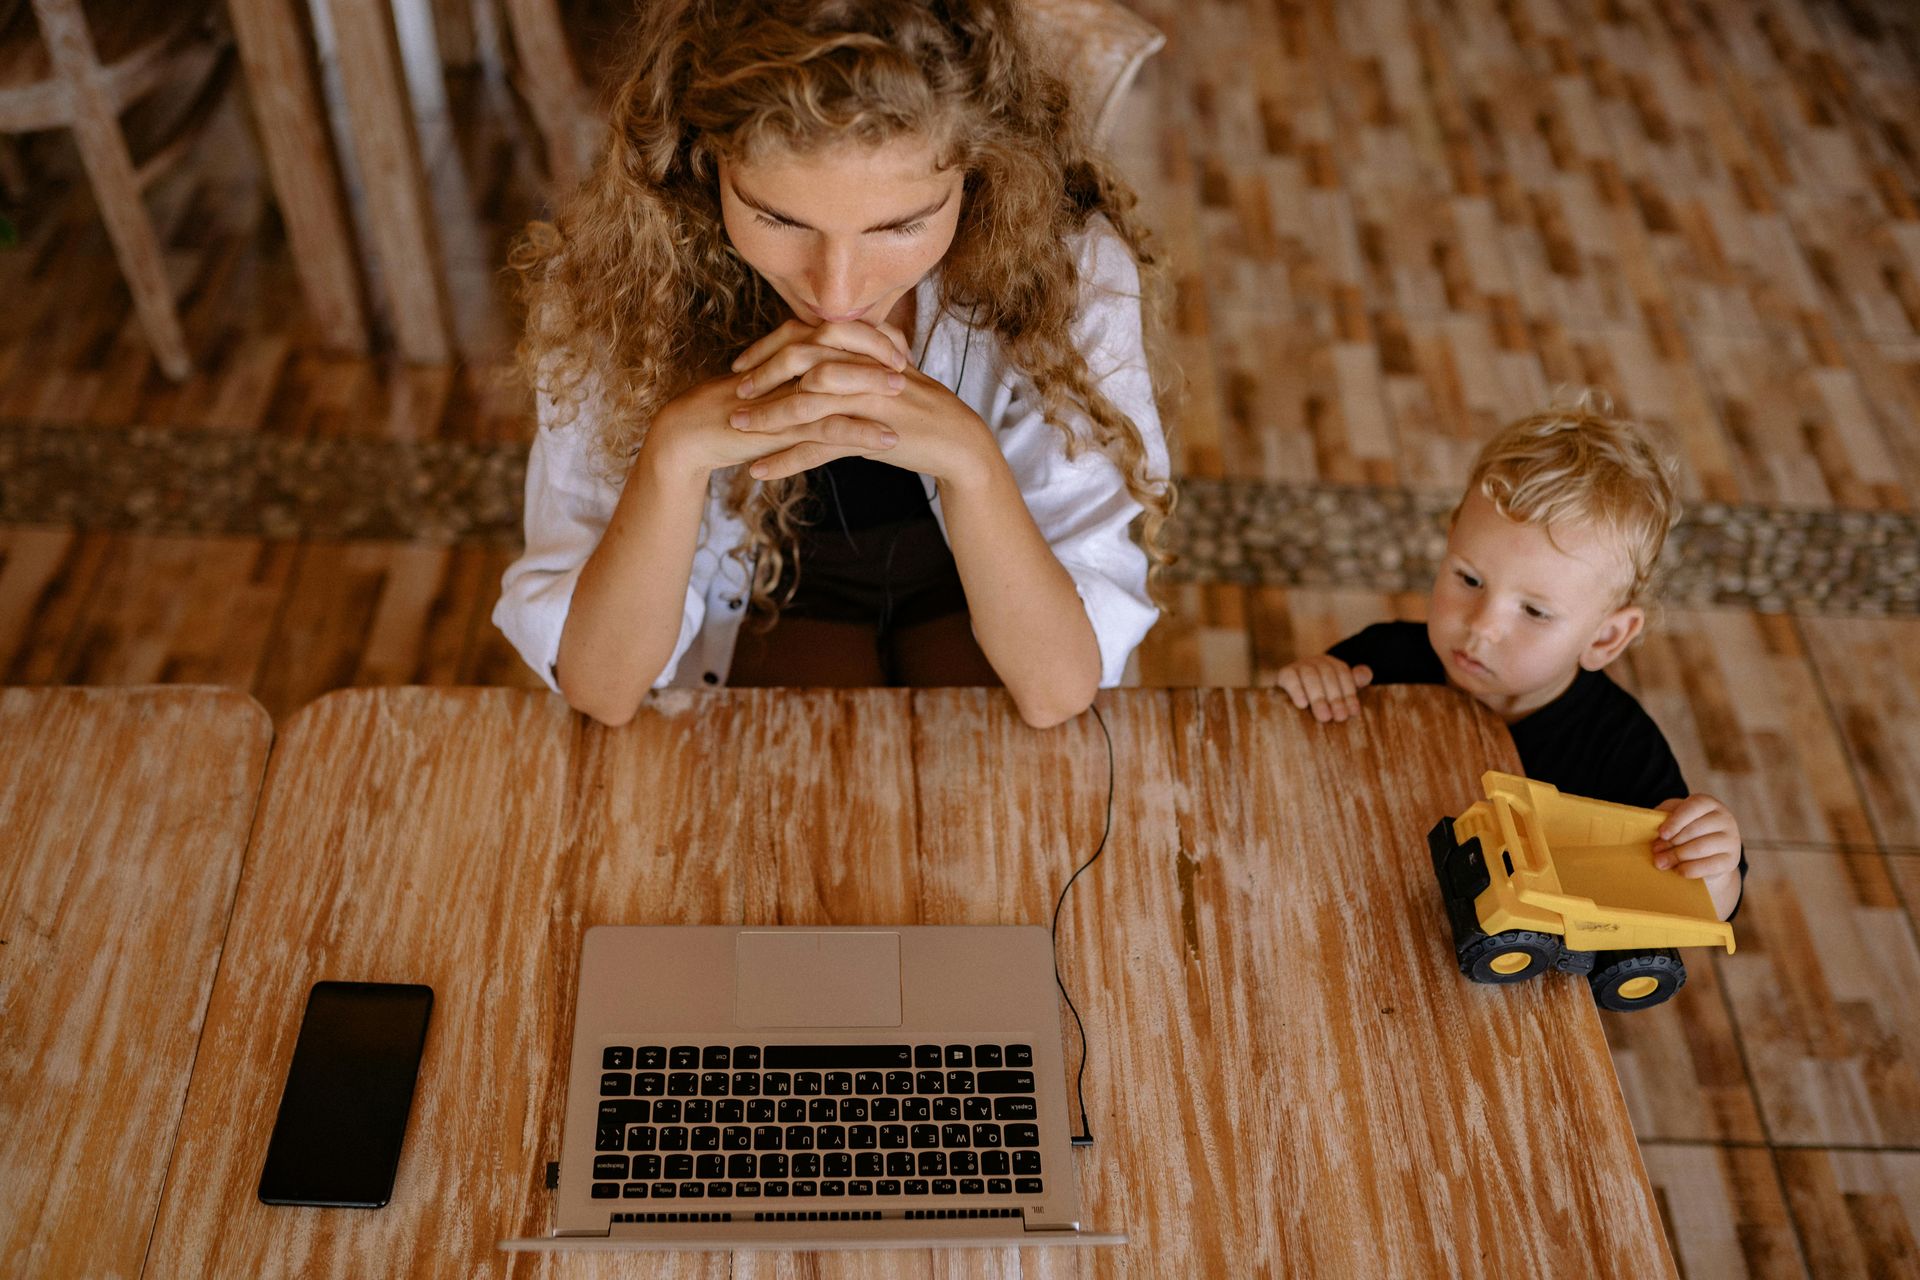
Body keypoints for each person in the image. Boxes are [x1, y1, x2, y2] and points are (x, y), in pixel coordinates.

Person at [493, 0, 1173, 729]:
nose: (838, 294)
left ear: (981, 169)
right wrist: (674, 456)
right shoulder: (611, 282)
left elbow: (1057, 688)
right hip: (770, 601)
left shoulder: (1075, 275)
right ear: (702, 154)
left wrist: (971, 462)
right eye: (779, 219)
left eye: (902, 226)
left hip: (993, 600)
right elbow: (602, 687)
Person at [1275, 400, 1745, 920]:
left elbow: (1697, 906)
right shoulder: (1383, 658)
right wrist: (1313, 680)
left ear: (1607, 638)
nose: (1482, 625)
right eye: (1469, 579)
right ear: (1451, 537)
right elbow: (1296, 744)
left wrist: (1713, 866)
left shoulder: (1619, 747)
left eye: (1535, 611)